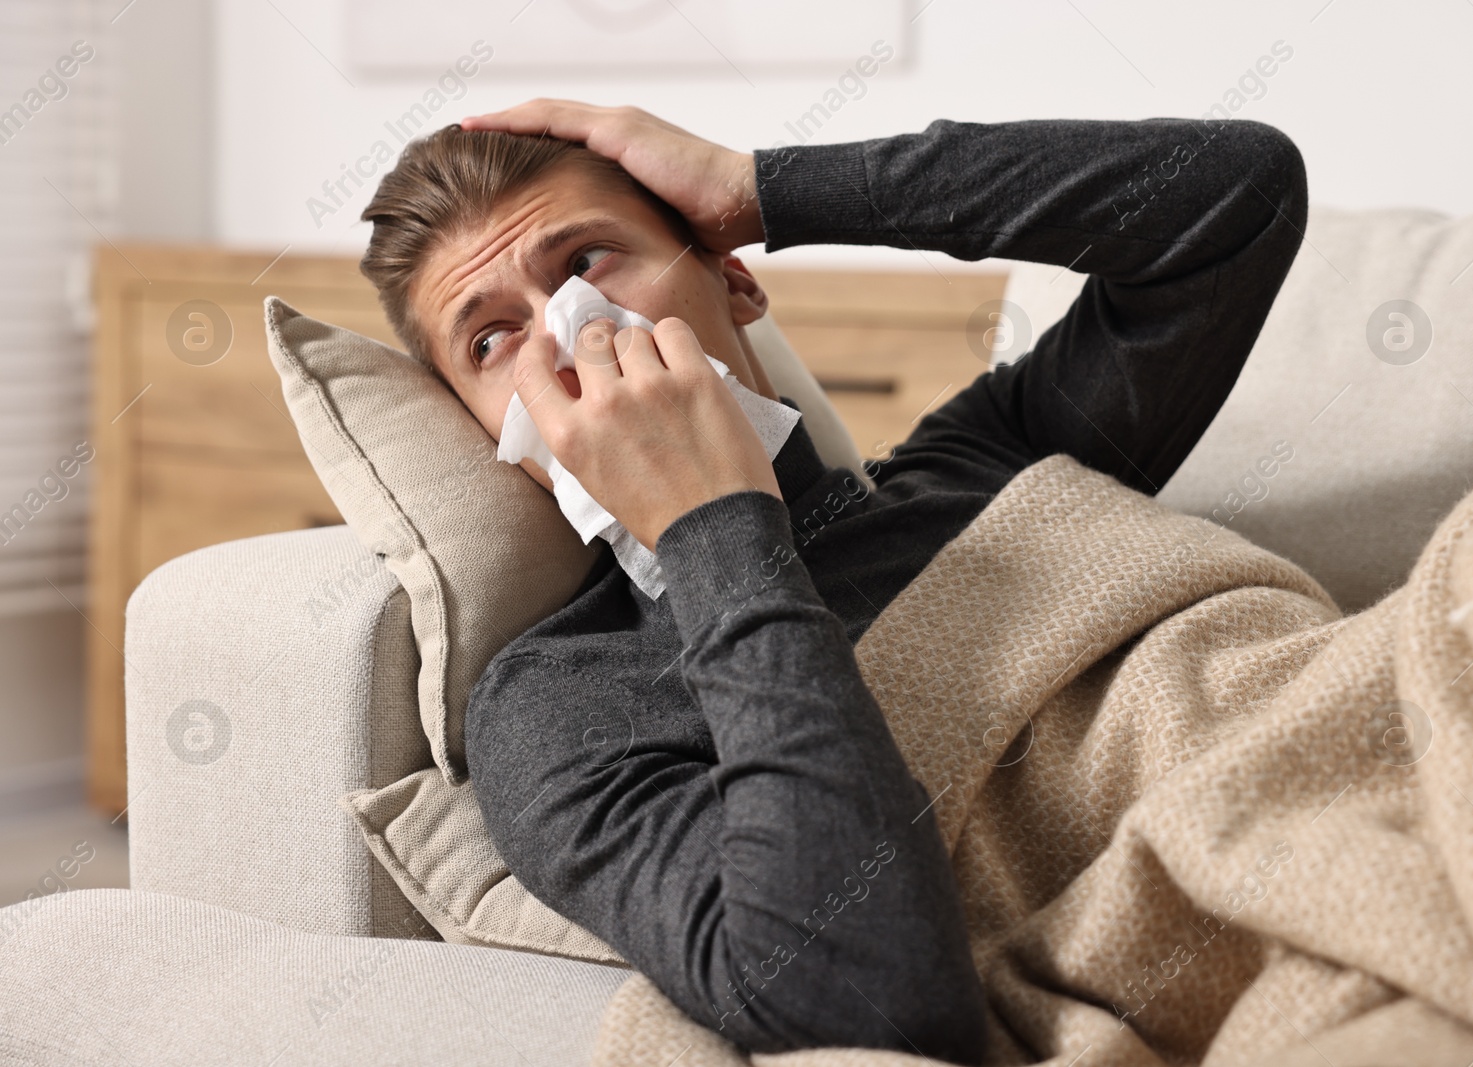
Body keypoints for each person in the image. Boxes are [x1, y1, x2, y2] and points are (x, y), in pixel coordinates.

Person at [357, 100, 1309, 1063]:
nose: (570, 333)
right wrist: (709, 523)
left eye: (588, 261)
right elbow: (863, 995)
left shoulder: (985, 456)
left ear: (734, 281)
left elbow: (1235, 196)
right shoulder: (562, 703)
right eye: (490, 338)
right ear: (492, 433)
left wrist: (761, 188)